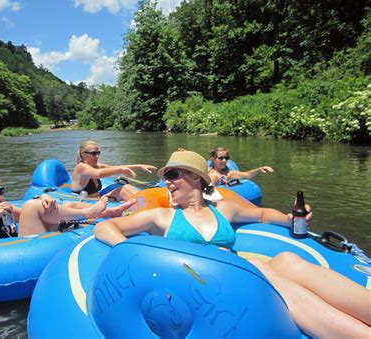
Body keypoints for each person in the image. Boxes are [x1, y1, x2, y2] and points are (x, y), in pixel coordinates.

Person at [94, 149, 370, 337]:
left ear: (194, 177)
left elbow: (261, 214)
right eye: (166, 177)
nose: (166, 182)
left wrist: (289, 218)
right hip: (208, 284)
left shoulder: (223, 210)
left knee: (289, 260)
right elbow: (106, 226)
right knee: (270, 272)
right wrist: (125, 248)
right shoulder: (162, 217)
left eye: (172, 175)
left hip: (241, 269)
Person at [0, 170, 133, 254]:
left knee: (64, 207)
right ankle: (90, 213)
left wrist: (41, 199)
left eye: (0, 191)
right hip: (20, 254)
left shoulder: (2, 208)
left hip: (27, 243)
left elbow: (28, 214)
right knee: (32, 206)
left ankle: (110, 212)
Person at [71, 140, 157, 201]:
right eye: (93, 153)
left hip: (95, 198)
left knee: (126, 187)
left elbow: (113, 167)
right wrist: (121, 170)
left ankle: (150, 200)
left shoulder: (95, 166)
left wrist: (139, 165)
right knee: (124, 190)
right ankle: (146, 205)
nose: (97, 156)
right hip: (84, 202)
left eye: (98, 153)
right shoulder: (81, 167)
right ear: (83, 154)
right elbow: (98, 174)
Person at [208, 146, 274, 185]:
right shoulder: (208, 171)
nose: (224, 160)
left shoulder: (229, 173)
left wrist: (259, 169)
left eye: (226, 158)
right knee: (214, 177)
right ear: (213, 159)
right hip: (210, 192)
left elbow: (247, 175)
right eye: (221, 158)